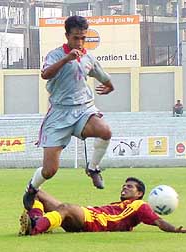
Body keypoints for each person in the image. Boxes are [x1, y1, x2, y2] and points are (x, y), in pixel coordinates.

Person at [23, 15, 114, 211]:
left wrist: (109, 86)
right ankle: (32, 188)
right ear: (67, 36)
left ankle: (93, 168)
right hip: (59, 114)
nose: (80, 42)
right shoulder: (55, 55)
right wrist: (66, 59)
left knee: (105, 131)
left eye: (83, 38)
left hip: (83, 109)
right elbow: (45, 75)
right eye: (76, 38)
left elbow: (101, 75)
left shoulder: (88, 57)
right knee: (49, 171)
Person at [19, 177, 186, 235]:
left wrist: (175, 230)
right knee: (36, 192)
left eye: (130, 186)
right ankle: (37, 220)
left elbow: (158, 221)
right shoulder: (121, 205)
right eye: (124, 185)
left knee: (66, 207)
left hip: (96, 222)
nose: (124, 188)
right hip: (89, 214)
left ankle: (35, 228)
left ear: (139, 193)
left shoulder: (140, 205)